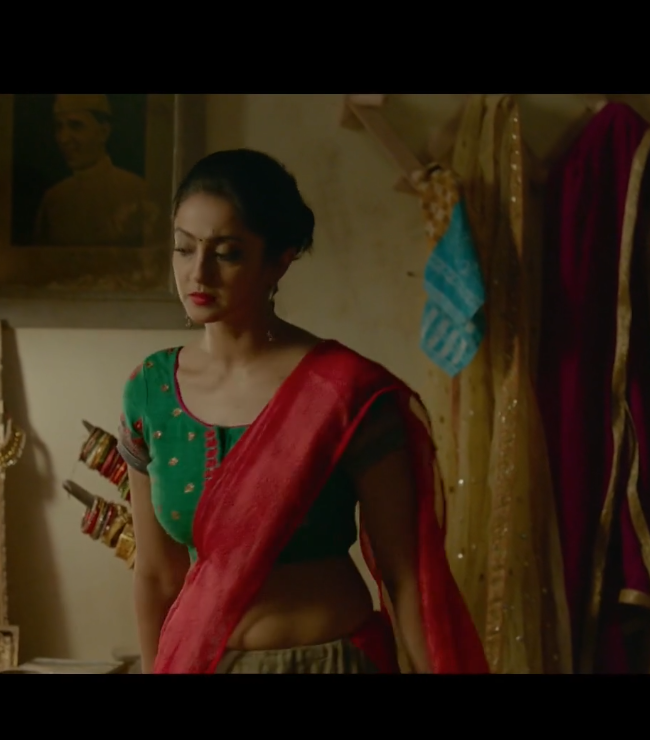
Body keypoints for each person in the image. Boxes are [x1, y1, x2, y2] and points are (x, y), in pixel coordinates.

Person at [117, 148, 488, 674]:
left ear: (280, 259)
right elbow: (157, 576)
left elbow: (407, 578)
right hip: (202, 663)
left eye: (227, 253)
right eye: (183, 248)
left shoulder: (346, 391)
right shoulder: (151, 391)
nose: (197, 273)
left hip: (329, 661)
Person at [31, 94, 154, 248]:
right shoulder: (53, 200)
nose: (63, 138)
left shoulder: (137, 191)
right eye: (59, 127)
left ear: (103, 132)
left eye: (76, 126)